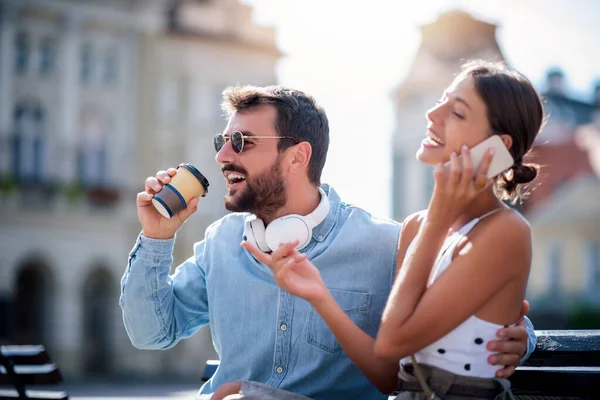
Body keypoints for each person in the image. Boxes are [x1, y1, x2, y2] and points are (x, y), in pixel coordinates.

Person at [120, 83, 535, 400]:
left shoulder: (385, 244)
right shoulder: (221, 242)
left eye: (241, 142)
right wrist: (157, 240)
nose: (222, 156)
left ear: (298, 156)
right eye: (222, 141)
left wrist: (522, 337)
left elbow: (466, 315)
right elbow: (151, 333)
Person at [233, 60, 544, 400]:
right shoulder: (416, 227)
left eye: (456, 112)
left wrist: (439, 218)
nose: (432, 115)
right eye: (440, 100)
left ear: (496, 147)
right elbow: (388, 375)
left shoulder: (505, 232)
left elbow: (393, 339)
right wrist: (320, 296)